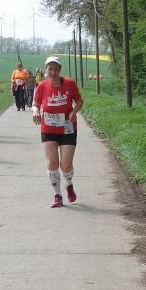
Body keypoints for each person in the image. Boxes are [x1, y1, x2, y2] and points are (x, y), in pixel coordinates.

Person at [32, 56, 83, 208]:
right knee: (52, 162)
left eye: (55, 69)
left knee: (66, 164)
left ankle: (69, 184)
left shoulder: (69, 84)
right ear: (46, 70)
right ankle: (57, 195)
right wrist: (35, 111)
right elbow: (35, 104)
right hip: (48, 128)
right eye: (50, 69)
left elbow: (80, 101)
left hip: (67, 127)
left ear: (60, 70)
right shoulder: (41, 86)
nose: (53, 72)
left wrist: (74, 111)